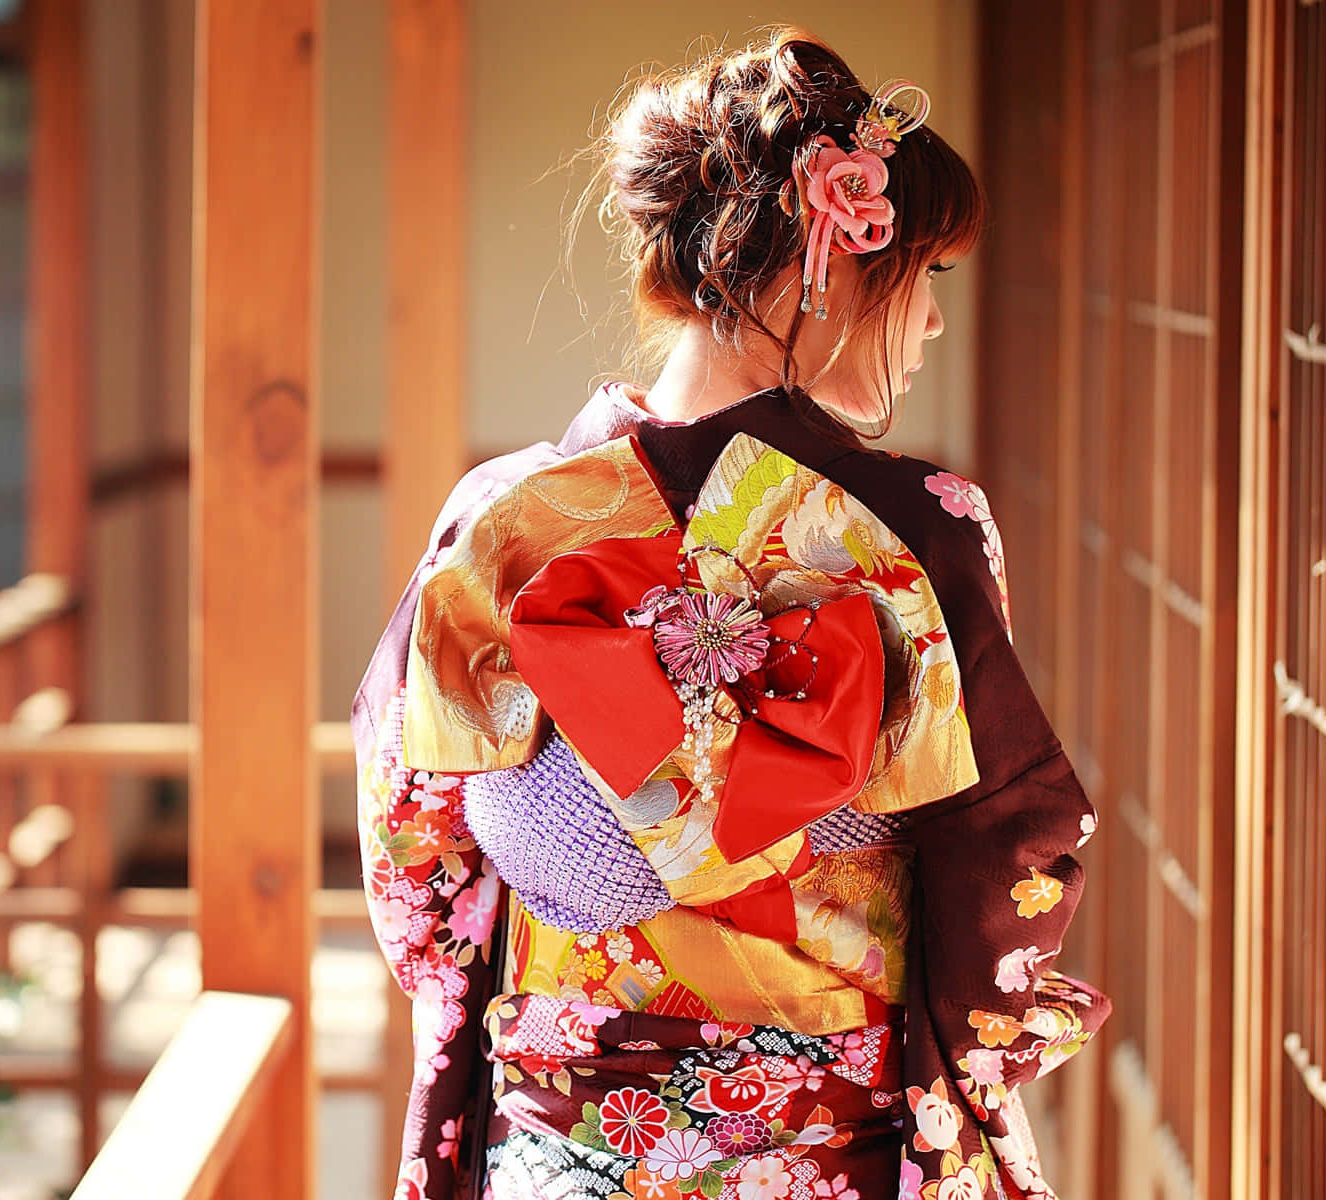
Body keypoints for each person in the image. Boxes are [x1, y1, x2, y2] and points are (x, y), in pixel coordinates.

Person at [353, 26, 1109, 1200]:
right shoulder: (926, 522)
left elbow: (418, 847)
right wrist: (972, 1029)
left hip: (566, 1133)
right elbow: (1002, 840)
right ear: (831, 253)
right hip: (830, 1136)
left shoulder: (504, 517)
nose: (932, 325)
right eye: (925, 279)